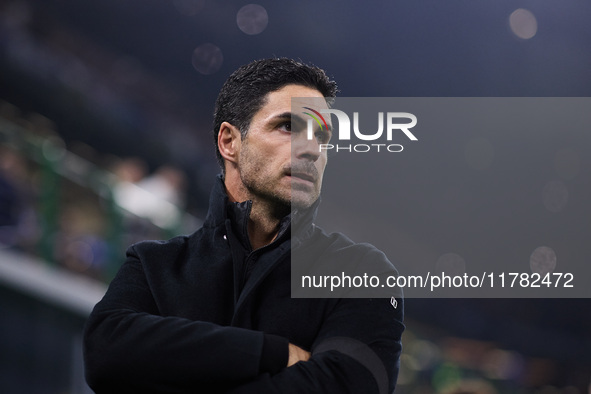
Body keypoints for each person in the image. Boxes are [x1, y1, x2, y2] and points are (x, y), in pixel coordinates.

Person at [83, 58, 404, 393]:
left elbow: (348, 386)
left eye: (322, 137)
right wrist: (273, 352)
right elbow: (105, 352)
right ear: (229, 142)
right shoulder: (155, 264)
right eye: (288, 127)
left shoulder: (361, 271)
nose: (312, 149)